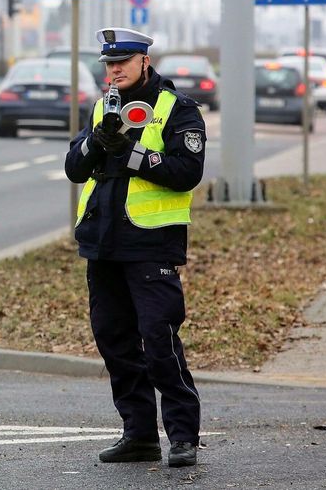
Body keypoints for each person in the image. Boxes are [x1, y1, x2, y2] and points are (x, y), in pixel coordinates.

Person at [64, 27, 206, 468]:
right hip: (103, 244)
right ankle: (140, 435)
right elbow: (74, 169)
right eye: (109, 64)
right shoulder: (101, 108)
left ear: (145, 61)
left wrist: (130, 153)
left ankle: (183, 437)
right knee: (115, 343)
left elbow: (187, 172)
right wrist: (96, 140)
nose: (114, 70)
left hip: (150, 244)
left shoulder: (177, 108)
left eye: (122, 62)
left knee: (159, 341)